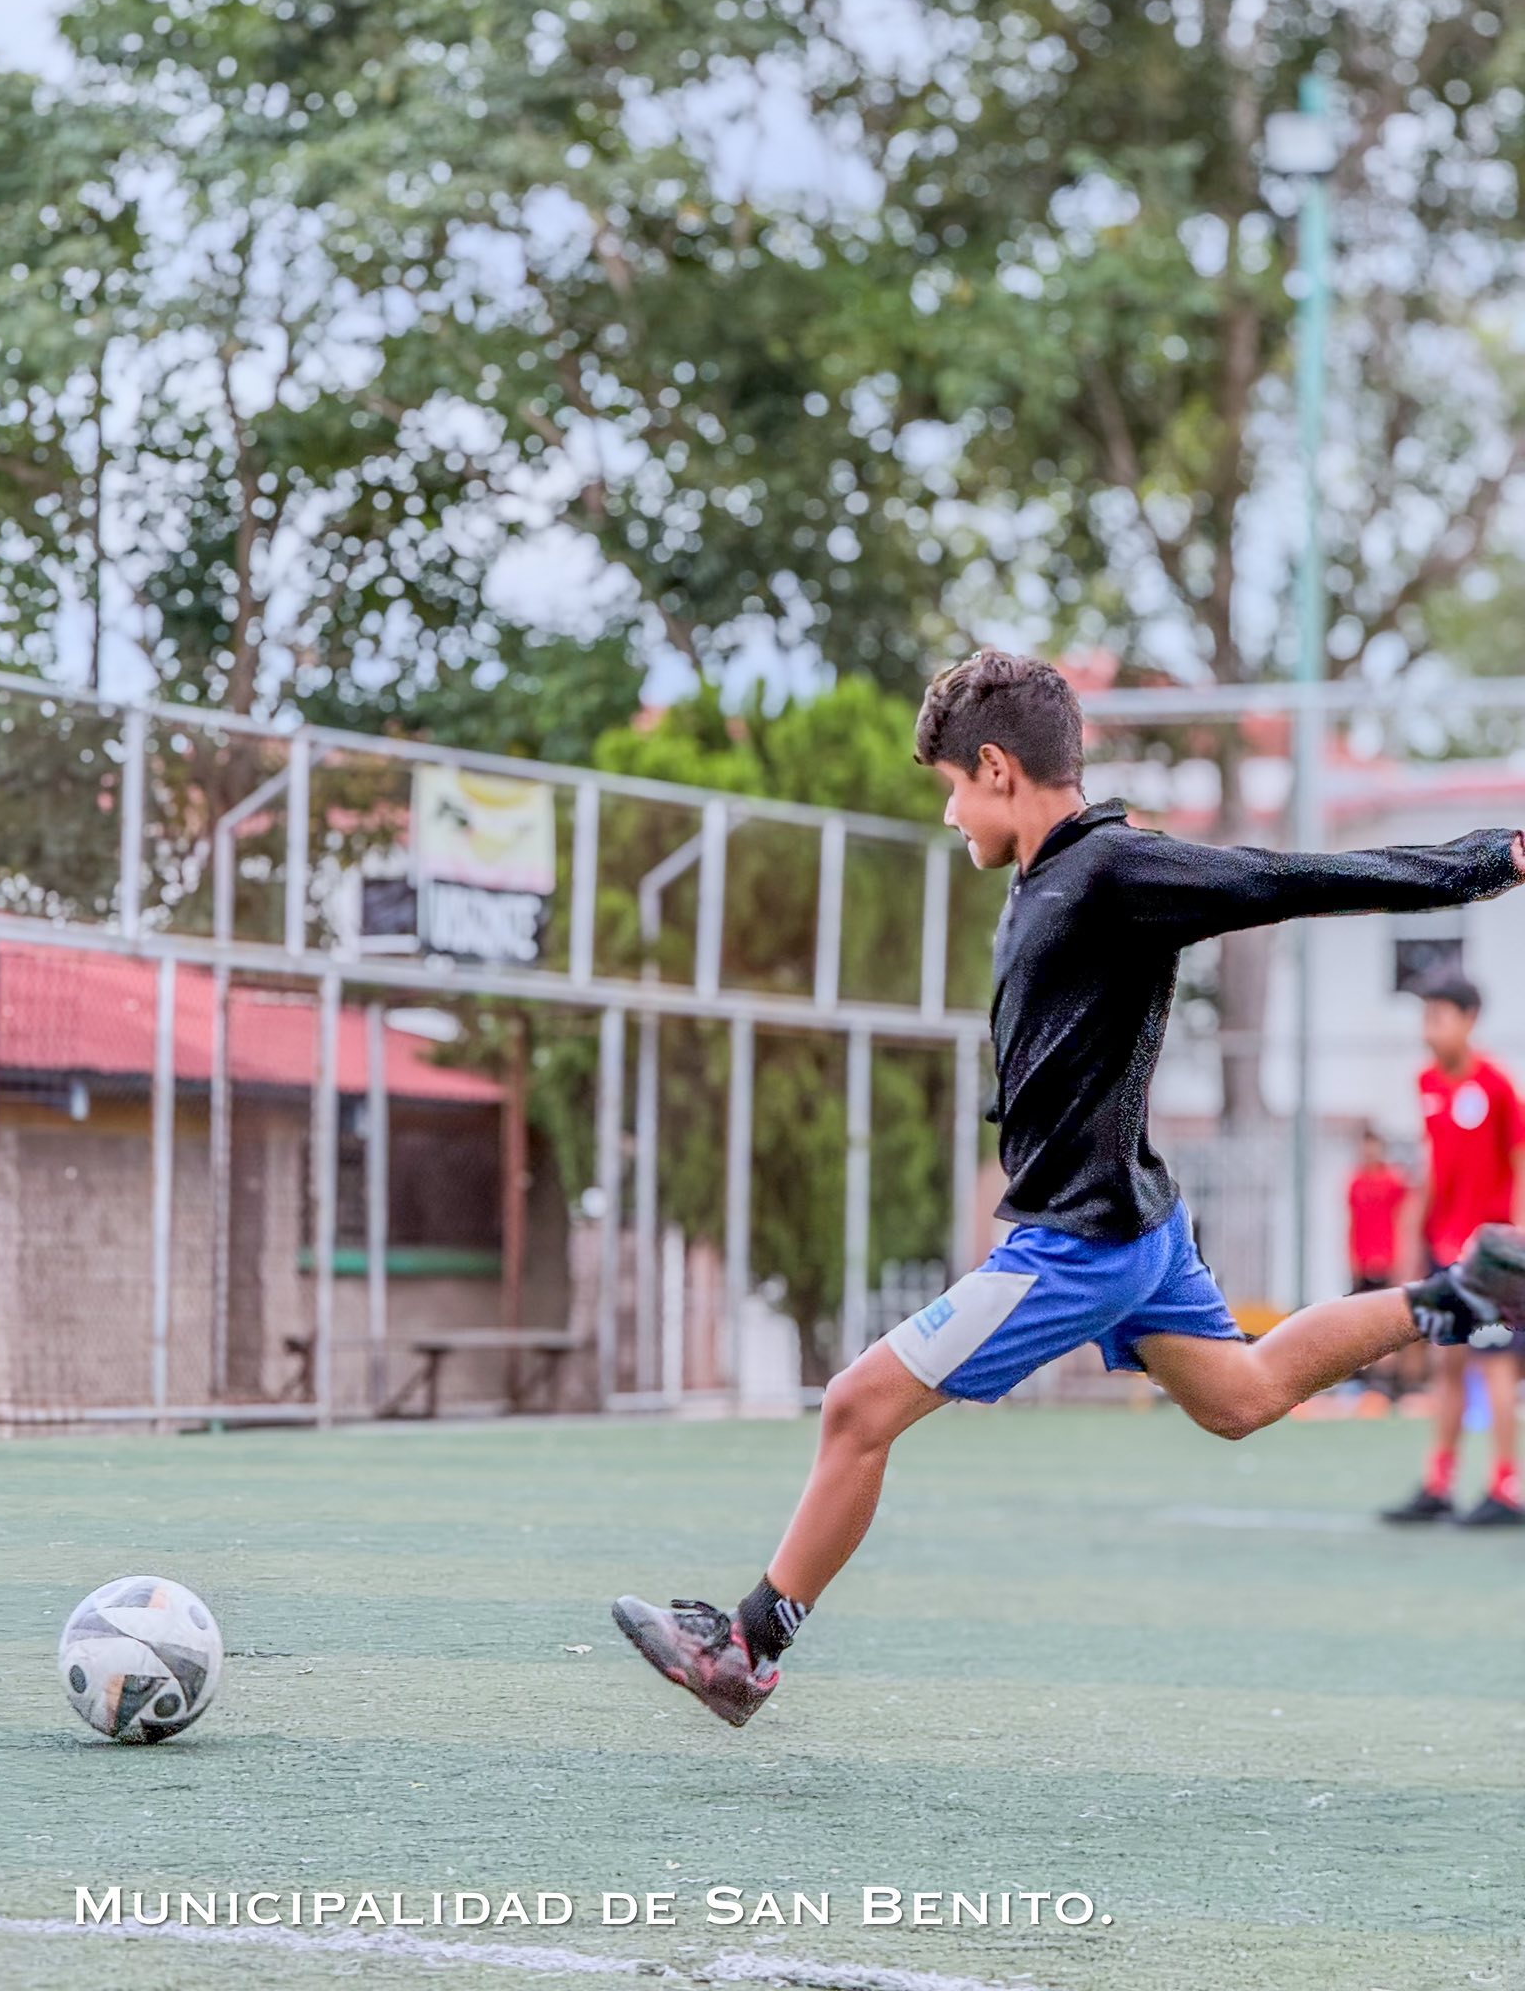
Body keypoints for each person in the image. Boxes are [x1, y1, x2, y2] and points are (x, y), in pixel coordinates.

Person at [612, 651, 1525, 1726]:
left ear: (998, 769)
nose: (951, 813)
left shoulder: (1113, 869)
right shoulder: (1045, 877)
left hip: (1082, 1239)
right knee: (1241, 1396)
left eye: (953, 786)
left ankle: (747, 1650)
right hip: (1134, 1218)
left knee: (858, 1405)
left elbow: (1290, 877)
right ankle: (1457, 1297)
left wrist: (1493, 858)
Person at [1381, 973, 1525, 1528]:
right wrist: (1413, 1240)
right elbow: (1433, 1168)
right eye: (1425, 1017)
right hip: (1448, 1251)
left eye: (1438, 1017)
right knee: (1449, 1363)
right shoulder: (1428, 1083)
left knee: (1497, 1366)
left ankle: (1507, 1488)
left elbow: (1520, 1163)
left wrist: (1516, 1243)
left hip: (1495, 1256)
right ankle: (1438, 1484)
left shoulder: (1497, 1085)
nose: (1428, 1029)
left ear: (1470, 1020)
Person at [1348, 1127, 1410, 1297]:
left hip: (1389, 1261)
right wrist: (1353, 1261)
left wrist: (1402, 1262)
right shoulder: (1356, 1182)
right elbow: (1352, 1223)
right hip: (1362, 1262)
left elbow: (1404, 1221)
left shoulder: (1394, 1182)